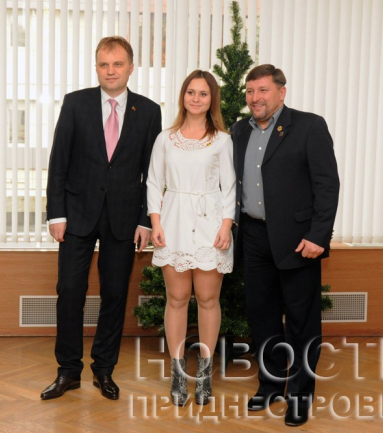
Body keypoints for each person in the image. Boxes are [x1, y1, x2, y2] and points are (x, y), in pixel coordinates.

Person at [42, 36, 162, 402]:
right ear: (96, 67)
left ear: (130, 67)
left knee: (115, 294)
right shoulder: (75, 103)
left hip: (124, 218)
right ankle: (68, 371)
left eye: (118, 64)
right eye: (104, 64)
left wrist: (145, 220)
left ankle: (104, 369)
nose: (111, 71)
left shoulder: (148, 111)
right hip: (76, 215)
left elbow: (153, 173)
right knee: (69, 291)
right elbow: (59, 161)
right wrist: (56, 213)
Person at [231, 65, 339, 426]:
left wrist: (318, 236)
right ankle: (271, 385)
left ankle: (300, 395)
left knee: (301, 322)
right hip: (253, 236)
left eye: (263, 90)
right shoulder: (239, 131)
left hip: (298, 240)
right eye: (250, 91)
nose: (255, 98)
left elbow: (327, 185)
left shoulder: (309, 126)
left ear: (282, 92)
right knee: (262, 317)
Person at [147, 70, 236, 406]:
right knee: (177, 297)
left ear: (212, 100)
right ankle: (178, 373)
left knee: (208, 299)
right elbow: (153, 182)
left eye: (203, 93)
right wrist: (155, 222)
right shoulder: (165, 139)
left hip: (211, 223)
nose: (196, 99)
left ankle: (205, 375)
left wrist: (226, 225)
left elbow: (229, 186)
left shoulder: (222, 140)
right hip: (173, 222)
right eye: (191, 92)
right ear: (183, 96)